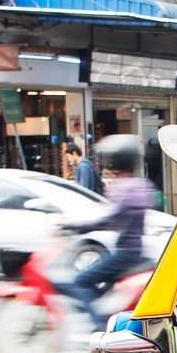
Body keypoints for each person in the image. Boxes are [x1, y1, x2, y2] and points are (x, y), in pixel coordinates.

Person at [55, 134, 154, 329]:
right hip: (133, 251)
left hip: (126, 254)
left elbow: (110, 220)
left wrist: (76, 226)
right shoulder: (139, 184)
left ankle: (100, 325)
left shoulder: (126, 187)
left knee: (81, 280)